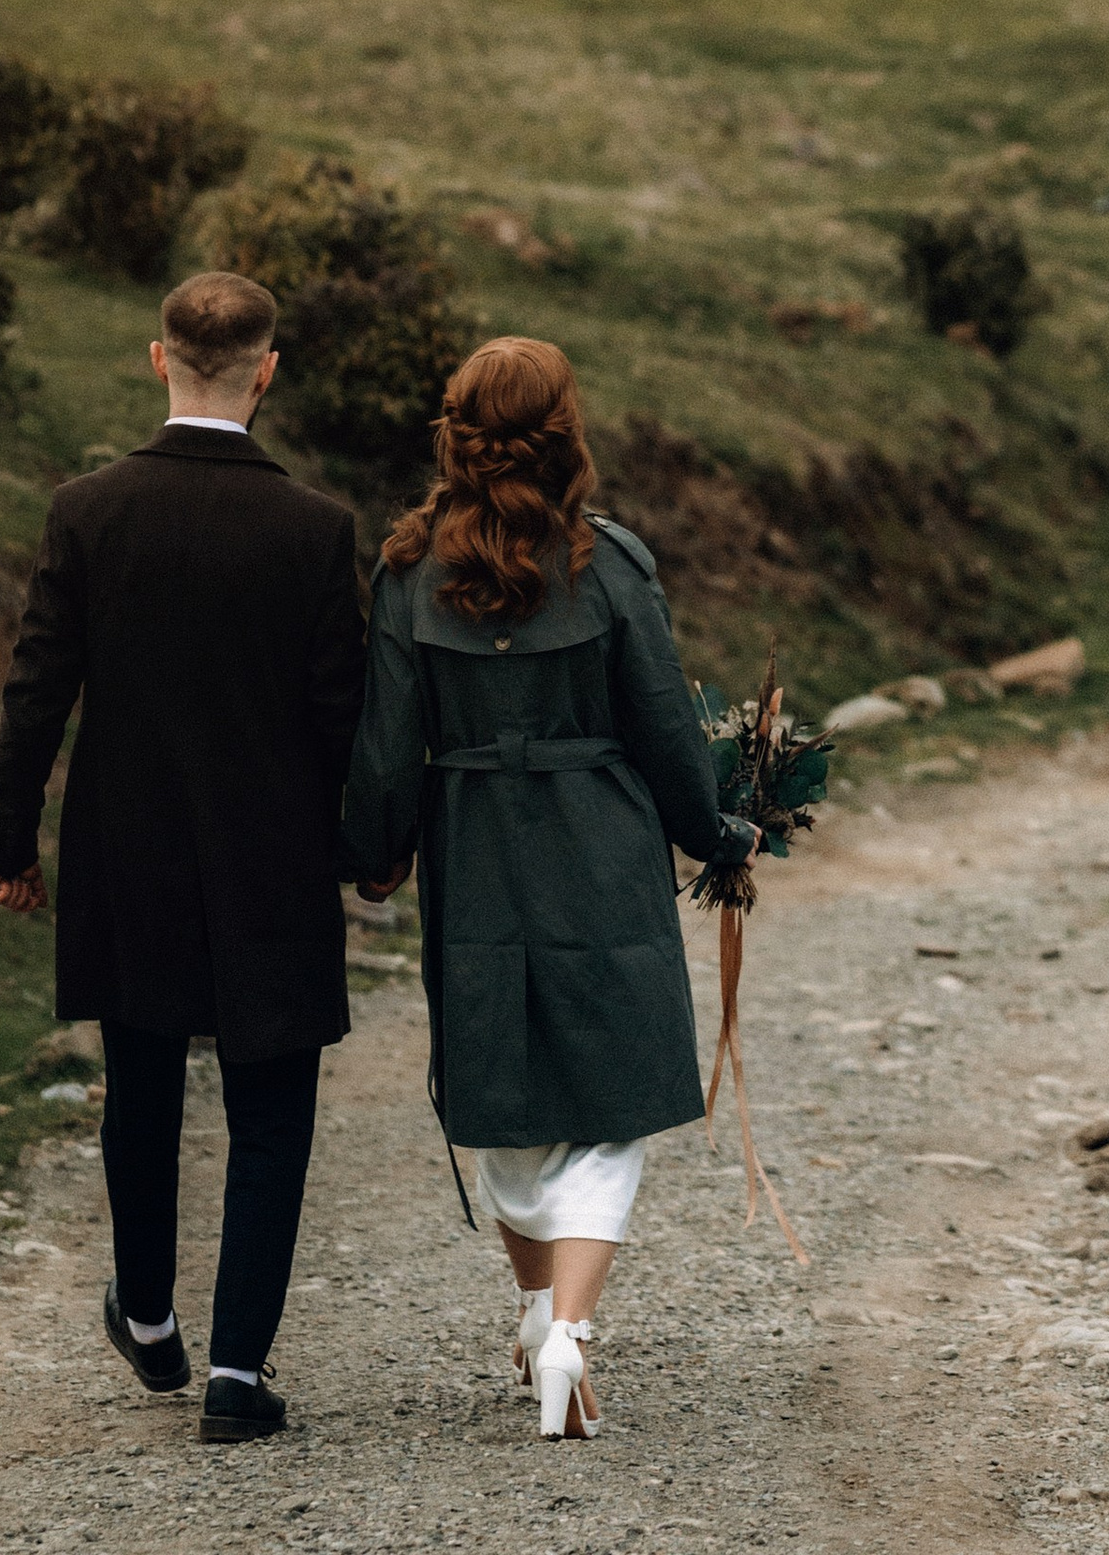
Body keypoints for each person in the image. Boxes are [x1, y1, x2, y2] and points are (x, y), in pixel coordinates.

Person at [0, 268, 364, 1445]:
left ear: (159, 359)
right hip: (272, 855)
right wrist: (371, 848)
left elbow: (38, 686)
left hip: (125, 848)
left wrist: (9, 840)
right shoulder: (314, 528)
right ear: (268, 369)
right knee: (271, 1107)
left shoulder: (87, 509)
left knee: (140, 1084)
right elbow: (341, 715)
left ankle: (147, 1315)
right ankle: (238, 1372)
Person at [343, 335, 741, 1442]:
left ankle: (533, 1313)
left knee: (503, 1080)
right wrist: (716, 832)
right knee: (608, 1097)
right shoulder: (609, 563)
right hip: (599, 842)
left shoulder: (408, 567)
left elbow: (386, 744)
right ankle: (566, 1329)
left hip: (475, 848)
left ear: (456, 433)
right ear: (567, 429)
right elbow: (664, 725)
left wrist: (373, 849)